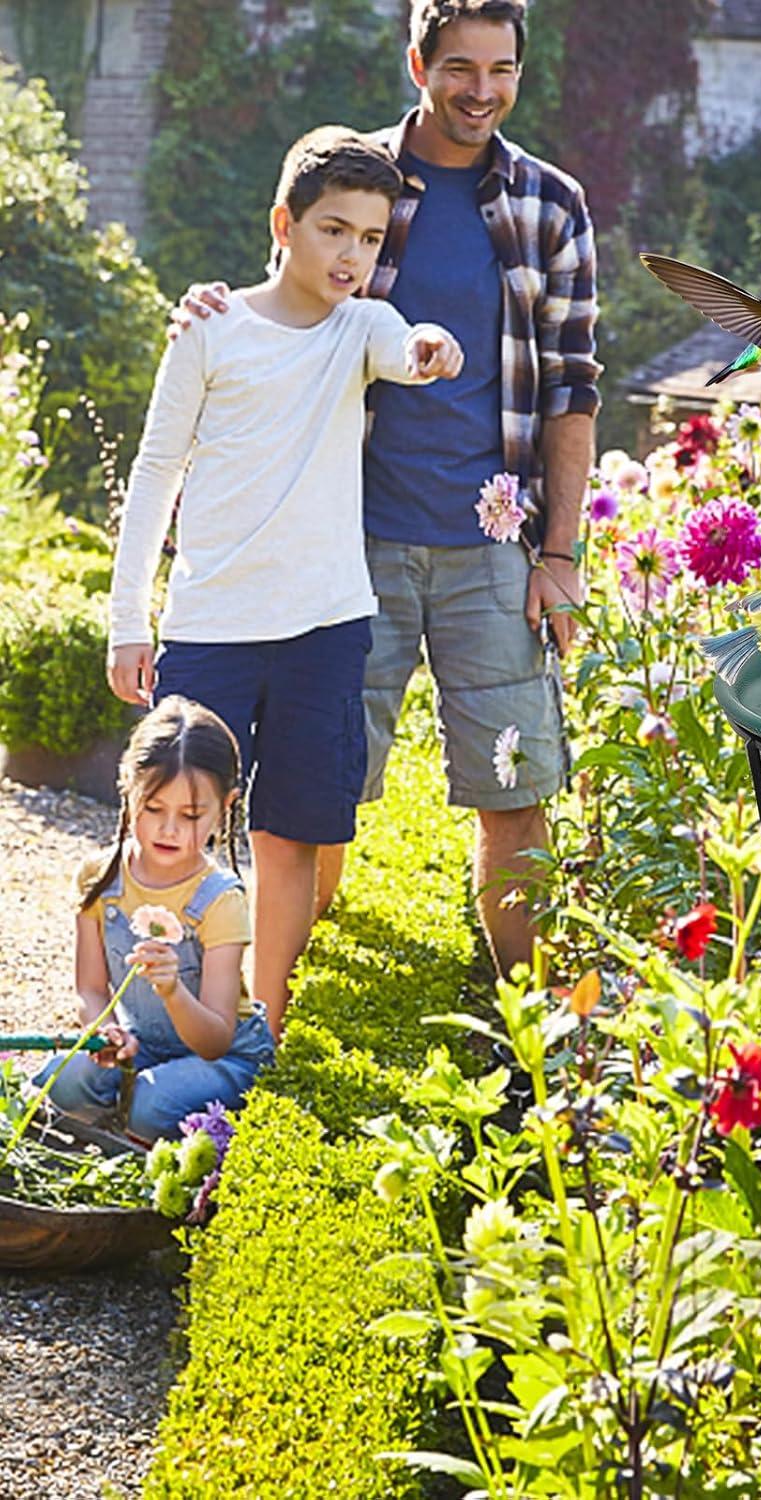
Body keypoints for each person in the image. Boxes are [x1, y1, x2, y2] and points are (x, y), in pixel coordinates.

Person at [178, 0, 600, 980]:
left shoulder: (550, 204)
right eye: (461, 68)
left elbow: (574, 386)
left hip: (493, 551)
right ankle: (294, 1002)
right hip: (341, 548)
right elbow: (278, 325)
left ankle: (518, 1014)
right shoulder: (356, 179)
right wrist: (209, 311)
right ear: (418, 60)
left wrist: (562, 555)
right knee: (312, 796)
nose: (481, 91)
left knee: (517, 793)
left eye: (503, 71)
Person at [110, 127, 464, 1036]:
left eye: (373, 239)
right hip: (210, 622)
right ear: (285, 223)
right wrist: (128, 620)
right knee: (177, 822)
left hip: (323, 625)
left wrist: (433, 346)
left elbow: (410, 343)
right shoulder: (210, 329)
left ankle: (261, 1021)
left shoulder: (364, 329)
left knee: (294, 829)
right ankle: (155, 1013)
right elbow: (154, 471)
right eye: (334, 231)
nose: (353, 255)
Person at [36, 698, 274, 1141]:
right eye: (153, 808)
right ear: (127, 789)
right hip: (140, 1046)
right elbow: (89, 989)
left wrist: (172, 989)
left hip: (221, 1057)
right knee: (59, 1082)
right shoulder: (100, 877)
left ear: (226, 805)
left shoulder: (220, 899)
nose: (168, 830)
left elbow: (215, 1040)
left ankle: (153, 1131)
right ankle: (118, 1130)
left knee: (150, 1106)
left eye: (190, 815)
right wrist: (102, 1031)